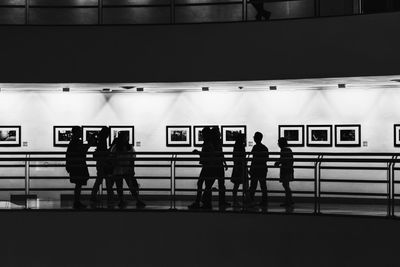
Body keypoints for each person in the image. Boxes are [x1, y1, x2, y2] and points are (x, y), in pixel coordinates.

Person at [110, 131, 145, 208]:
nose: (126, 139)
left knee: (123, 186)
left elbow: (112, 157)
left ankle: (123, 201)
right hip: (124, 169)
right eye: (125, 137)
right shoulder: (129, 147)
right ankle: (136, 200)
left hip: (120, 169)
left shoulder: (116, 147)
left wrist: (131, 169)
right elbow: (132, 159)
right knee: (127, 186)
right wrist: (132, 169)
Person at [188, 127, 215, 209]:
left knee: (202, 184)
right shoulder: (209, 143)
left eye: (203, 134)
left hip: (207, 166)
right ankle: (206, 202)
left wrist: (198, 152)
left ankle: (200, 202)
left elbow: (207, 154)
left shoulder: (208, 144)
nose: (202, 135)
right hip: (208, 166)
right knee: (206, 185)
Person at [66, 126, 91, 209]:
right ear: (76, 132)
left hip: (76, 165)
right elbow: (82, 152)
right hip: (78, 166)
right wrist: (89, 144)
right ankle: (77, 201)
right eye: (80, 131)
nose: (81, 133)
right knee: (78, 184)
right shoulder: (76, 142)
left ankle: (77, 201)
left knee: (78, 184)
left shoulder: (73, 142)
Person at [90, 126, 115, 204]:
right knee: (106, 181)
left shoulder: (101, 139)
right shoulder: (103, 140)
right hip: (103, 164)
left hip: (100, 163)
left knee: (99, 180)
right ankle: (110, 197)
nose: (108, 135)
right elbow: (103, 152)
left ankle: (93, 196)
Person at [248, 132, 269, 207]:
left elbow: (253, 159)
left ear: (256, 138)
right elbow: (266, 159)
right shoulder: (264, 147)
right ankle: (264, 201)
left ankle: (250, 200)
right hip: (262, 168)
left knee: (253, 185)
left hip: (255, 169)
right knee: (263, 186)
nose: (253, 138)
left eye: (254, 137)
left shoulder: (255, 147)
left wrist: (250, 169)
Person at [211, 126, 230, 208]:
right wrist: (224, 163)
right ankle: (222, 201)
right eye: (218, 131)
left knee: (212, 183)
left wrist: (224, 163)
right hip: (217, 165)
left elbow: (221, 152)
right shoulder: (216, 141)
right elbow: (220, 153)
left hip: (215, 164)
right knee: (220, 184)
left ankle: (205, 200)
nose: (219, 133)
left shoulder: (215, 141)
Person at [274, 137, 294, 207]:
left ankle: (288, 200)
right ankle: (289, 200)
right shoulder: (288, 150)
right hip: (288, 169)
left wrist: (278, 162)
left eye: (279, 142)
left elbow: (283, 159)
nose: (278, 144)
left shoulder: (283, 150)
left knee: (285, 185)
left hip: (285, 170)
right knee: (286, 185)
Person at [230, 133, 248, 207]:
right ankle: (240, 201)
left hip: (239, 166)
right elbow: (238, 157)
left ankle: (236, 200)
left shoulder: (237, 146)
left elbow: (235, 157)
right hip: (240, 167)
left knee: (237, 184)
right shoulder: (240, 146)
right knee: (241, 184)